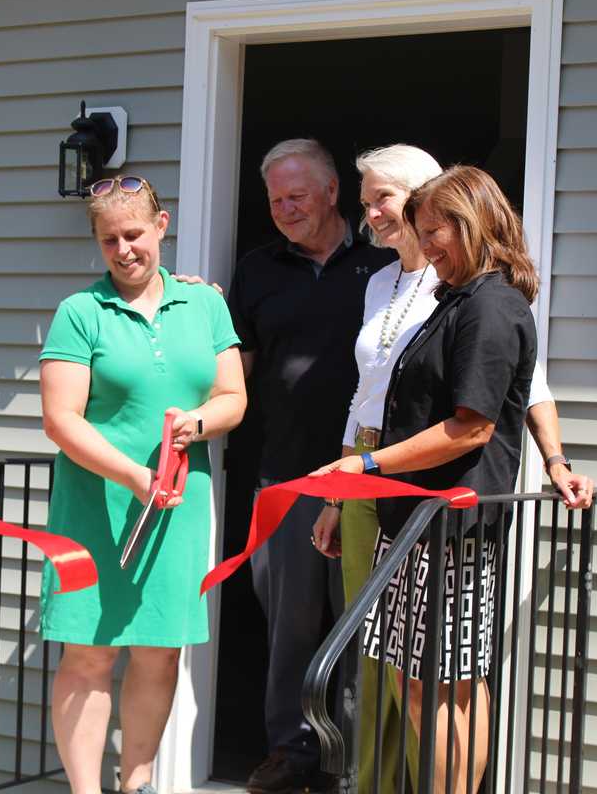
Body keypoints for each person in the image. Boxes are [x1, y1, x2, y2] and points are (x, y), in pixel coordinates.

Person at [309, 146, 594, 793]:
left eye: (434, 230)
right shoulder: (454, 300)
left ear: (469, 222)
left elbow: (476, 424)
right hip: (419, 524)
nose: (426, 243)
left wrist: (368, 464)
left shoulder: (490, 307)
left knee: (439, 688)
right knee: (438, 685)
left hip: (449, 532)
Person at [39, 175, 247, 794]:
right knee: (89, 654)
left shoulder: (204, 305)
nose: (124, 249)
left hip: (175, 506)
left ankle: (139, 782)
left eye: (134, 234)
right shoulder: (81, 312)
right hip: (95, 505)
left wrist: (198, 422)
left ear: (162, 226)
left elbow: (233, 396)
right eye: (109, 241)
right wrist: (131, 474)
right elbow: (61, 419)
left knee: (159, 650)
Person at [227, 138, 395, 793]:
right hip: (288, 477)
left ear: (332, 192)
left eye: (297, 195)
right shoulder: (257, 269)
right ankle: (291, 752)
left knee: (363, 624)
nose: (285, 209)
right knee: (289, 627)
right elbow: (231, 360)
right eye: (274, 200)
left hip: (373, 477)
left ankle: (352, 764)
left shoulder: (386, 261)